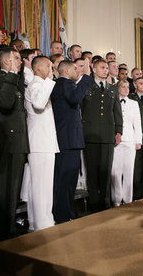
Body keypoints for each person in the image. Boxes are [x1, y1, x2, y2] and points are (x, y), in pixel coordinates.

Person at [0, 45, 29, 238]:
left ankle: (8, 227)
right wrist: (13, 76)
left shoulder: (14, 80)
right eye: (17, 58)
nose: (21, 61)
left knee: (13, 188)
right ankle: (3, 230)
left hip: (17, 139)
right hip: (8, 139)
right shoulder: (1, 78)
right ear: (6, 61)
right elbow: (5, 103)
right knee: (6, 187)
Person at [51, 60, 92, 223]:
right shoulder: (64, 83)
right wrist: (87, 77)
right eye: (75, 68)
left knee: (69, 180)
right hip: (66, 139)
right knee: (63, 180)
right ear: (67, 71)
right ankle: (61, 214)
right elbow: (75, 99)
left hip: (71, 139)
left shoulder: (66, 84)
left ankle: (66, 211)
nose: (78, 71)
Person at [81, 59, 123, 211]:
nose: (106, 70)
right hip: (90, 134)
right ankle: (93, 201)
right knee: (91, 170)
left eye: (107, 68)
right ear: (93, 68)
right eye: (102, 67)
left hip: (107, 135)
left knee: (106, 169)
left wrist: (118, 131)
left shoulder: (112, 89)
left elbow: (117, 112)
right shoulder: (86, 86)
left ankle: (105, 201)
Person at [23, 56, 58, 231]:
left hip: (44, 141)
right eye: (48, 66)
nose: (51, 69)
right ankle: (41, 223)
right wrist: (50, 82)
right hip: (38, 141)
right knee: (39, 185)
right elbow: (38, 103)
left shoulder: (40, 85)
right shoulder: (36, 85)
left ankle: (40, 220)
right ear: (38, 68)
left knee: (43, 184)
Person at [111, 80, 142, 205]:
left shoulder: (134, 104)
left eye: (127, 87)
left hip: (130, 140)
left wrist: (138, 141)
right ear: (117, 88)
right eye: (123, 86)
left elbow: (137, 124)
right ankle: (116, 200)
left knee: (129, 171)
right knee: (115, 172)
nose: (126, 89)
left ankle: (128, 199)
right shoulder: (112, 101)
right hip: (116, 141)